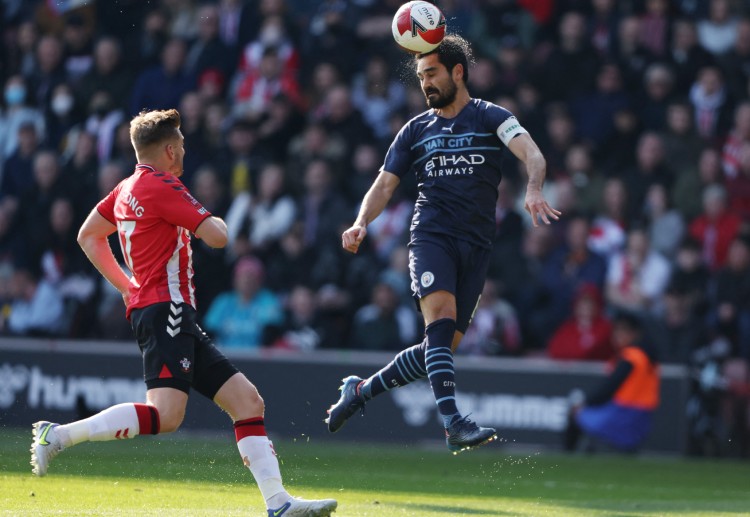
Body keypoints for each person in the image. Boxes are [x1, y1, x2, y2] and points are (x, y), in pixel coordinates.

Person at [30, 109, 337, 517]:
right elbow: (219, 237)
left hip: (166, 310)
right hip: (166, 309)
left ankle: (279, 503)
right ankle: (60, 436)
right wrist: (211, 215)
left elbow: (88, 236)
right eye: (183, 147)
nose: (185, 153)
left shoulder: (124, 188)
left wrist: (126, 286)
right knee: (166, 415)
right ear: (170, 150)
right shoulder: (162, 185)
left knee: (247, 402)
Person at [325, 35, 560, 453]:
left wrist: (534, 189)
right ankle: (452, 422)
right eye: (420, 77)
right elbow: (383, 185)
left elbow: (533, 154)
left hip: (477, 246)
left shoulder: (491, 116)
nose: (426, 84)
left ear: (458, 72)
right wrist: (361, 222)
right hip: (431, 236)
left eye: (432, 74)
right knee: (439, 326)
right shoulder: (415, 130)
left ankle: (358, 390)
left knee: (439, 348)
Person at [564, 313, 660, 452]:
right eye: (617, 330)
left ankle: (570, 455)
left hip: (625, 413)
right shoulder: (648, 356)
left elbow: (609, 387)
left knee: (577, 413)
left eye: (624, 331)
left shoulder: (631, 357)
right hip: (644, 416)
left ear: (636, 333)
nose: (618, 335)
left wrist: (586, 402)